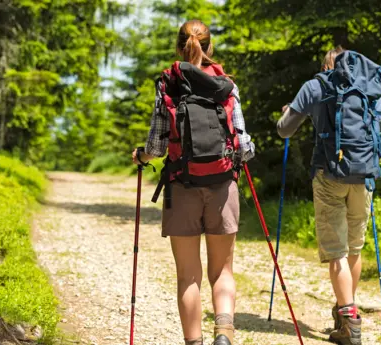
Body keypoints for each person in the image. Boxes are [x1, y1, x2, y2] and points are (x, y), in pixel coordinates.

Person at [132, 19, 255, 345]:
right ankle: (224, 333)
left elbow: (157, 147)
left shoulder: (168, 85)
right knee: (222, 272)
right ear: (209, 47)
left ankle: (194, 342)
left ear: (179, 47)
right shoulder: (226, 85)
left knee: (188, 276)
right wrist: (239, 158)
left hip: (181, 187)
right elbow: (243, 146)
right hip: (221, 186)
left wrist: (140, 157)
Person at [277, 47, 381, 345]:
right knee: (353, 246)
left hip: (328, 174)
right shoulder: (369, 87)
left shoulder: (315, 85)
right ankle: (346, 308)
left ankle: (349, 322)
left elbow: (284, 131)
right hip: (363, 176)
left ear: (325, 65)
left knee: (336, 250)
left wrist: (287, 114)